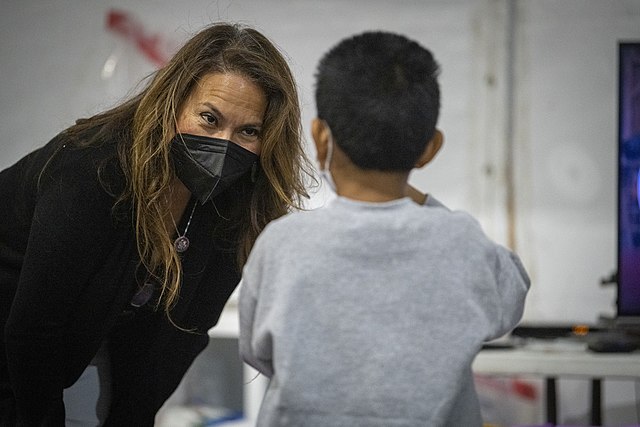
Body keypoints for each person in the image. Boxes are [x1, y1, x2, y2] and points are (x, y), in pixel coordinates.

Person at [0, 22, 311, 426]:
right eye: (209, 118)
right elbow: (34, 329)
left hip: (59, 352)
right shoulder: (92, 170)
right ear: (173, 103)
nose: (224, 144)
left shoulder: (241, 206)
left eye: (248, 131)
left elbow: (179, 338)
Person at [238, 31, 531, 427]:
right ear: (430, 148)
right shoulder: (461, 241)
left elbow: (257, 351)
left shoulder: (281, 244)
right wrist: (417, 198)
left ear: (320, 139)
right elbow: (512, 294)